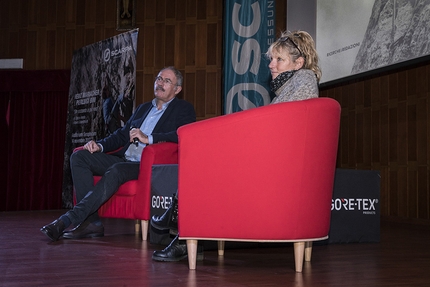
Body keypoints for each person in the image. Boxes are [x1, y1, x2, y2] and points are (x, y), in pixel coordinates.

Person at [150, 30, 322, 262]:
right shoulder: (290, 86)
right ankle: (180, 231)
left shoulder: (304, 79)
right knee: (204, 160)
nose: (271, 65)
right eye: (271, 59)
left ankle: (179, 232)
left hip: (277, 169)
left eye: (279, 59)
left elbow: (279, 126)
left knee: (203, 164)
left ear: (298, 62)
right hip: (272, 162)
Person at [40, 66, 196, 242]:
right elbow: (121, 135)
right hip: (124, 158)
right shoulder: (144, 108)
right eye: (159, 78)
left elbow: (182, 133)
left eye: (167, 81)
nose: (160, 83)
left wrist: (149, 138)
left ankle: (67, 219)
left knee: (117, 169)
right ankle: (92, 223)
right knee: (79, 157)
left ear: (177, 89)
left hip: (145, 165)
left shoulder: (183, 108)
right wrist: (100, 145)